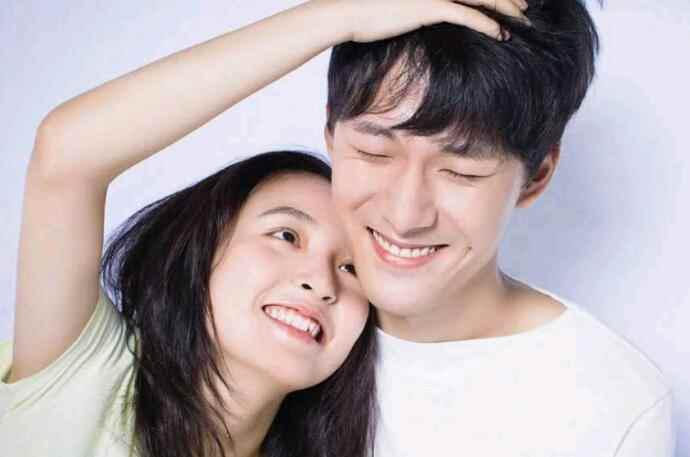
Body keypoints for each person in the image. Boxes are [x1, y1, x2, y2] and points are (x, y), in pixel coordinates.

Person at [0, 1, 525, 456]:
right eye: (287, 236)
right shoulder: (88, 383)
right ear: (205, 249)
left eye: (351, 267)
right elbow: (66, 154)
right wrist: (340, 17)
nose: (320, 282)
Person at [322, 1, 676, 456]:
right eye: (374, 152)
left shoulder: (613, 400)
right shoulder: (278, 318)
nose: (405, 216)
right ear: (331, 133)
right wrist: (335, 18)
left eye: (461, 172)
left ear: (537, 176)